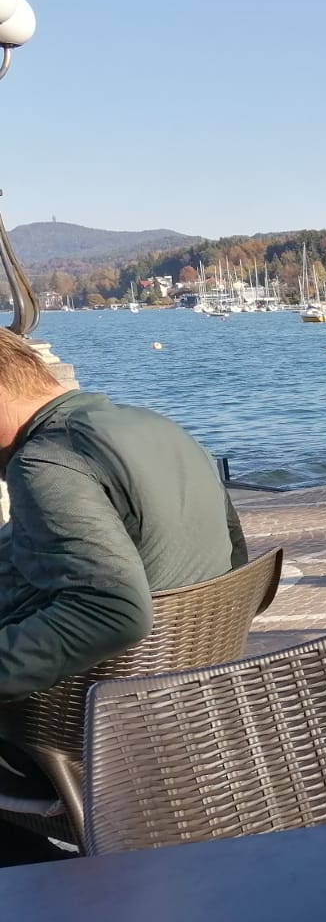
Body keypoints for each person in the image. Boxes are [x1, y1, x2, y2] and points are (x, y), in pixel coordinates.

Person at [0, 329, 247, 809]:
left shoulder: (45, 463)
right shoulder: (158, 428)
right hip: (178, 717)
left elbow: (112, 611)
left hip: (74, 742)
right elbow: (234, 558)